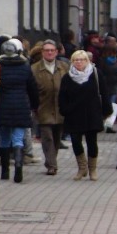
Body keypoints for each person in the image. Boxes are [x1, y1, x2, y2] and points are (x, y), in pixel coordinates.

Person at [58, 50, 112, 181]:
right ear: (72, 62)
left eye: (82, 60)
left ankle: (92, 169)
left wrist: (106, 111)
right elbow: (62, 97)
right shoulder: (67, 77)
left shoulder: (95, 74)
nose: (79, 62)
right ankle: (82, 168)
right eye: (76, 60)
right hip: (74, 114)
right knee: (76, 141)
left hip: (92, 113)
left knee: (91, 142)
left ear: (87, 61)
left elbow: (104, 93)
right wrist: (64, 110)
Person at [0, 38, 39, 183]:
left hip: (2, 107)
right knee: (18, 138)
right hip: (21, 106)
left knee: (5, 138)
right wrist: (34, 105)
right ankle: (19, 168)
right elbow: (32, 88)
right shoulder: (25, 66)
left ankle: (5, 171)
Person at [32, 39, 70, 175]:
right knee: (47, 137)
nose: (49, 53)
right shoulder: (35, 68)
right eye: (46, 50)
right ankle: (52, 165)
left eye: (52, 50)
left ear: (56, 52)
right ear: (42, 52)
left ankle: (51, 161)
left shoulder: (63, 67)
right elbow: (31, 89)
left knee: (57, 137)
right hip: (43, 108)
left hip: (60, 109)